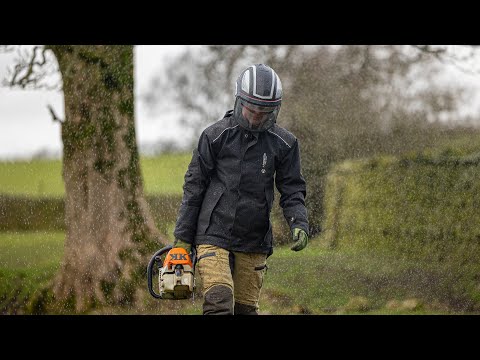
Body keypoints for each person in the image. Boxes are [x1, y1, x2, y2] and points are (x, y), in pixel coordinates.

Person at [173, 63, 309, 315]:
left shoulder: (285, 144)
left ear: (275, 110)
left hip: (254, 239)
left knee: (245, 310)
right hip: (213, 233)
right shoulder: (214, 136)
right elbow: (194, 188)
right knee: (219, 301)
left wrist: (298, 221)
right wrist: (182, 239)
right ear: (239, 101)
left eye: (263, 112)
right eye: (251, 109)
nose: (256, 116)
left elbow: (292, 189)